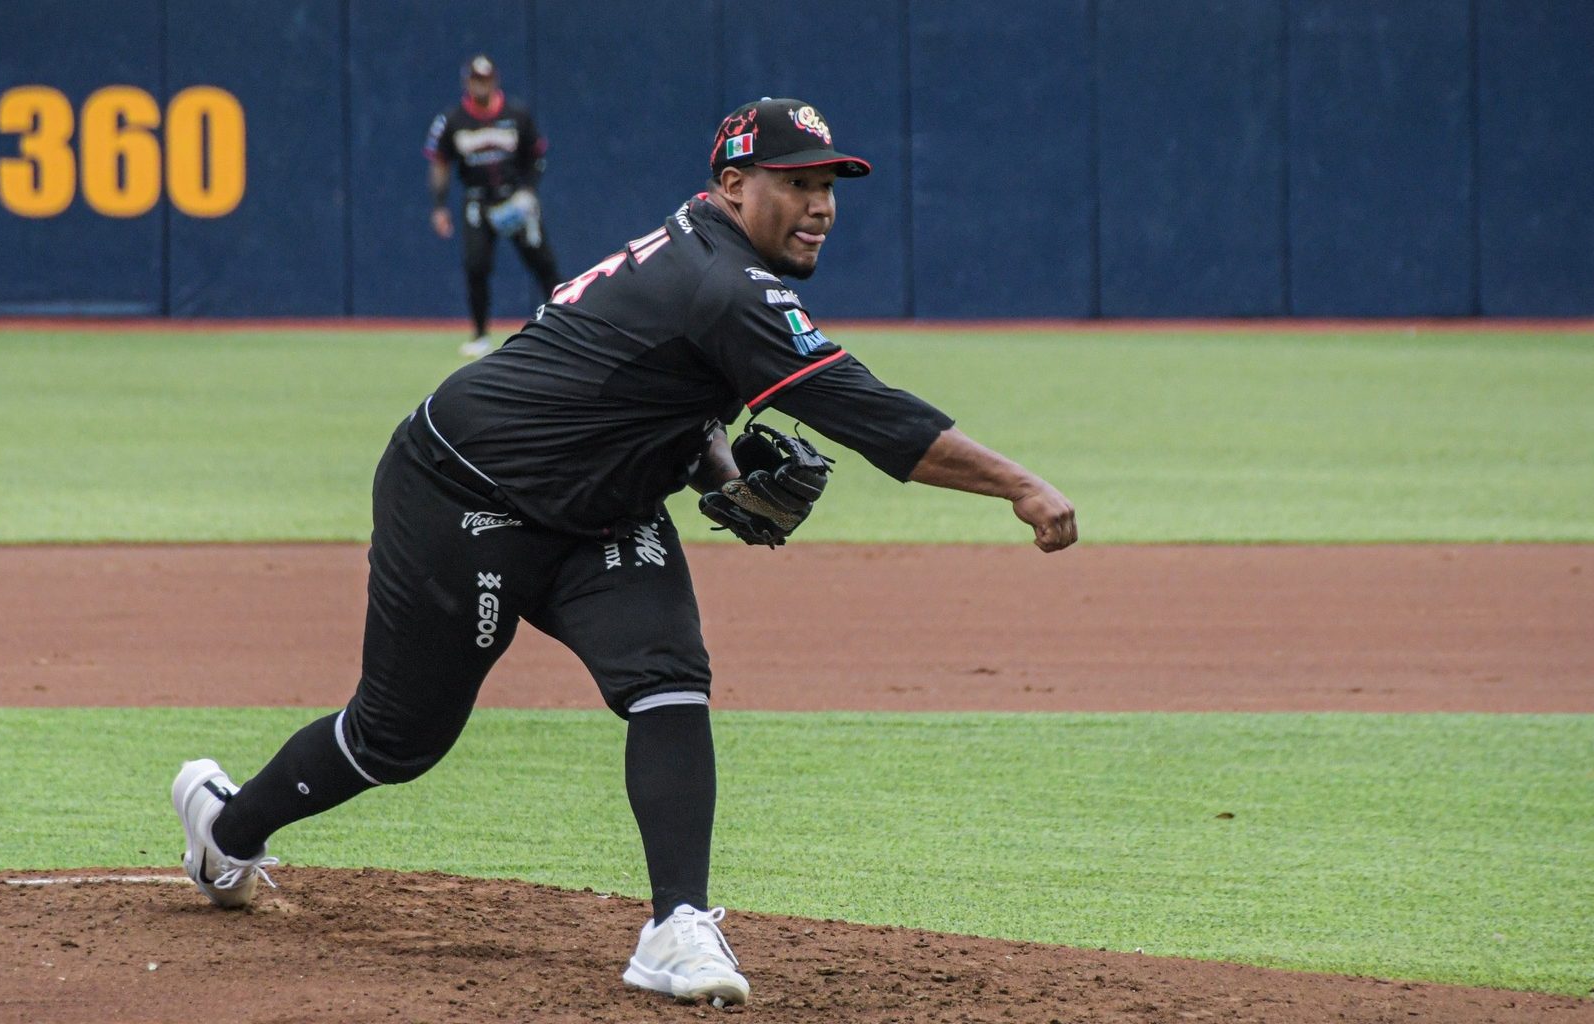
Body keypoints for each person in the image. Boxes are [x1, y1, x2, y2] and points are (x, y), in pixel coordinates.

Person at [173, 97, 1077, 1007]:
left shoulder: (709, 262)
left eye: (829, 185)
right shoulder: (728, 284)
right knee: (399, 738)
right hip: (462, 492)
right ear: (732, 186)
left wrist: (719, 471)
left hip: (598, 510)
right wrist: (1021, 486)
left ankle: (677, 925)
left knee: (669, 673)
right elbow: (870, 414)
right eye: (796, 182)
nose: (820, 205)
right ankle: (228, 828)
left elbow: (650, 399)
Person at [424, 54, 562, 358]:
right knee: (476, 265)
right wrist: (439, 206)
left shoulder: (516, 114)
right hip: (478, 200)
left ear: (494, 80)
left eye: (485, 80)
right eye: (475, 80)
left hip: (515, 198)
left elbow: (537, 156)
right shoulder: (452, 120)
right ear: (466, 82)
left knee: (543, 263)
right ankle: (480, 333)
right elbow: (440, 163)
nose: (480, 85)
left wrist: (528, 192)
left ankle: (566, 323)